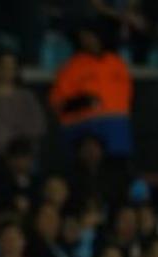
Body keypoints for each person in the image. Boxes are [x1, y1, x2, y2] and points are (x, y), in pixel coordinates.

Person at [48, 24, 133, 157]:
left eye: (90, 36)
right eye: (83, 37)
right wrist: (82, 101)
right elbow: (58, 104)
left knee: (117, 171)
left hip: (118, 133)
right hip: (84, 134)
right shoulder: (71, 67)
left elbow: (128, 97)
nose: (87, 40)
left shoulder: (117, 63)